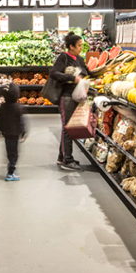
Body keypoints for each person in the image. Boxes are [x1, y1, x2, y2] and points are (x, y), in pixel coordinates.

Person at [49, 32, 90, 171]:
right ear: (71, 46)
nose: (81, 48)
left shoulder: (79, 59)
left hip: (77, 96)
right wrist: (73, 78)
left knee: (68, 127)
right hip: (66, 96)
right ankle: (68, 159)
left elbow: (88, 72)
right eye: (79, 46)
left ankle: (63, 157)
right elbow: (54, 73)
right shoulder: (63, 57)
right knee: (67, 128)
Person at [0, 83, 27, 181]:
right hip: (15, 133)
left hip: (6, 133)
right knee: (15, 153)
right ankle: (10, 172)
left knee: (9, 151)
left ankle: (11, 168)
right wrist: (23, 132)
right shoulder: (19, 108)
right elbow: (21, 122)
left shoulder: (3, 107)